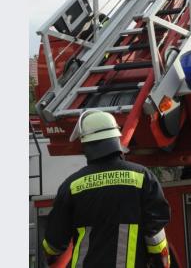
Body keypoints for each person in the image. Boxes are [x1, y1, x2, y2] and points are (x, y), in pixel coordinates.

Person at [41, 110, 171, 268]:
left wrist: (49, 256)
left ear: (86, 145)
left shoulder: (72, 186)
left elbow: (54, 244)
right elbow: (155, 233)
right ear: (116, 138)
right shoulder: (142, 178)